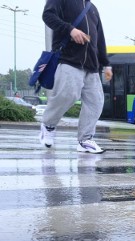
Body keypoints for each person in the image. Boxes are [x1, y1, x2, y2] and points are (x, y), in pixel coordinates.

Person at [39, 0, 112, 154]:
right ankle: (48, 124)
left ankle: (85, 140)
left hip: (92, 65)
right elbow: (47, 15)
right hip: (68, 58)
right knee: (68, 95)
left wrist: (106, 64)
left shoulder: (92, 8)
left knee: (96, 102)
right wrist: (70, 29)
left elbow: (100, 39)